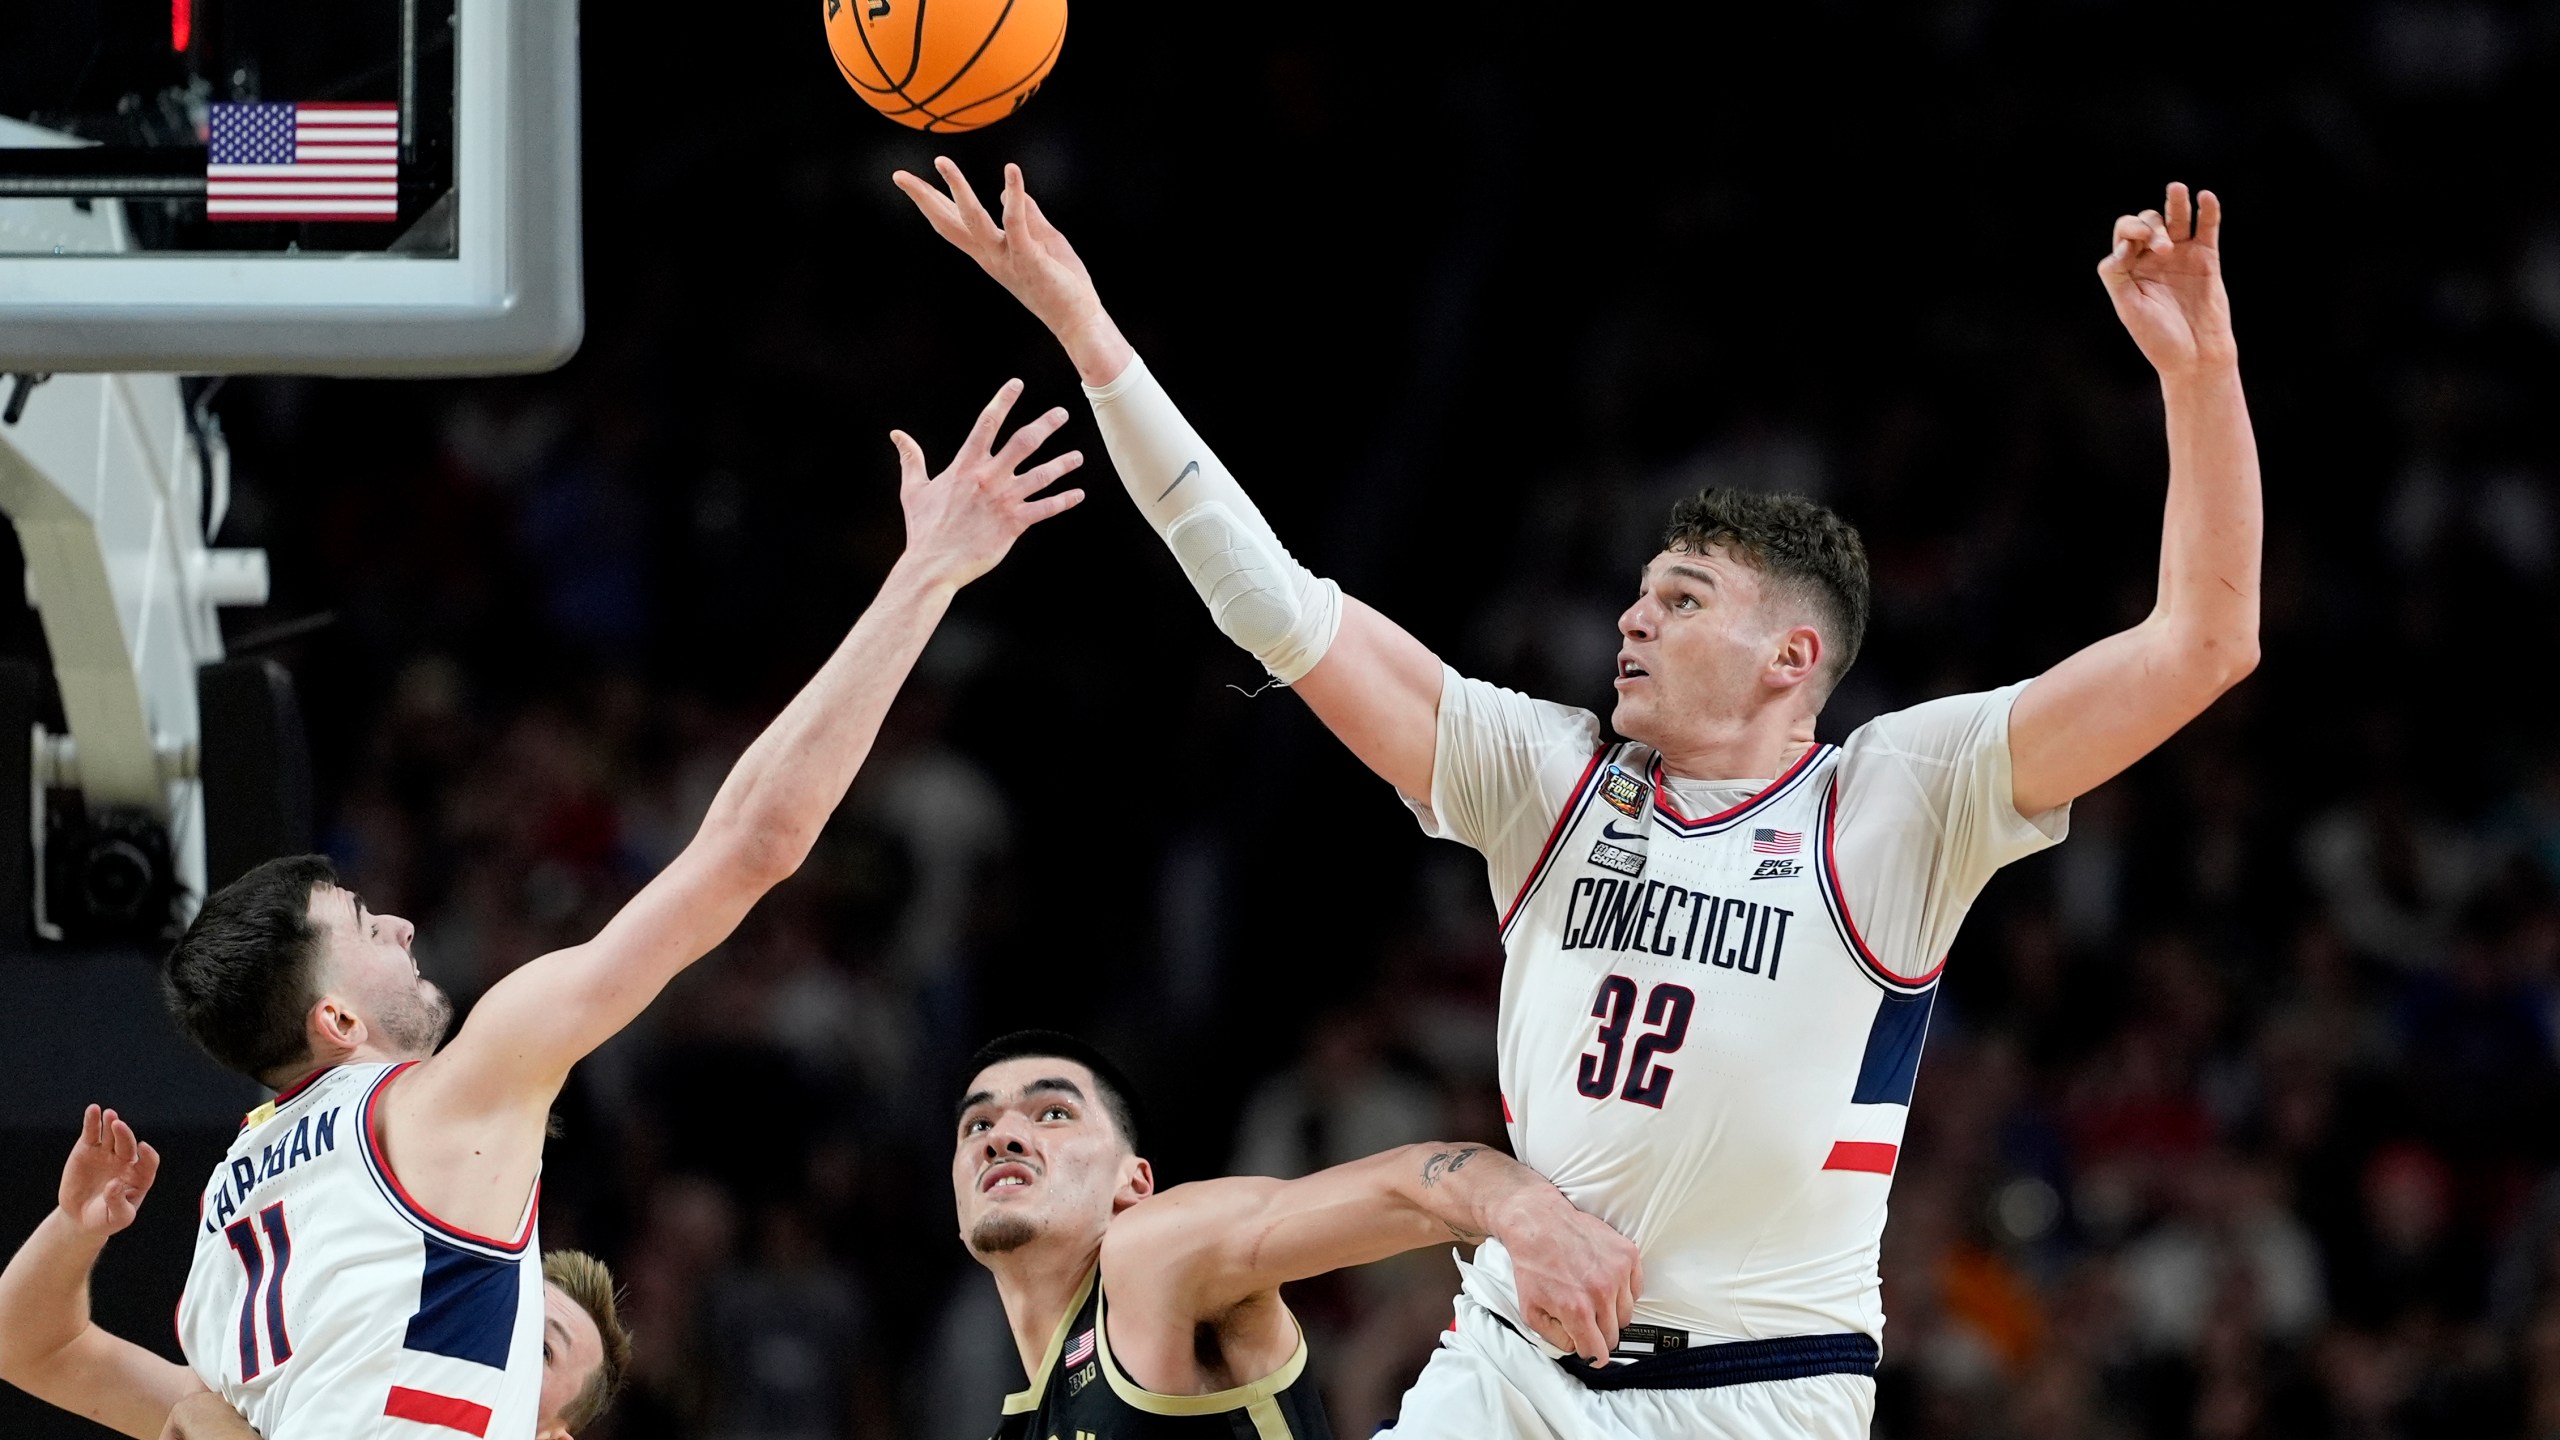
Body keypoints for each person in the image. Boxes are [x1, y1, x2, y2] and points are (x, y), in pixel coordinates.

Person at [900, 165, 2261, 1438]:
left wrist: (2200, 378)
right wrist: (1092, 337)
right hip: (1508, 1361)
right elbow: (1274, 604)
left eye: (1682, 600)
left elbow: (2205, 643)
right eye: (1637, 590)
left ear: (1794, 659)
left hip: (1760, 1393)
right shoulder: (1542, 773)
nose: (1632, 618)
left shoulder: (1902, 799)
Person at [3, 378, 1085, 1440]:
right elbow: (750, 846)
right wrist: (925, 575)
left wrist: (70, 1227)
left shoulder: (232, 1228)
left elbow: (35, 1351)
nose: (403, 926)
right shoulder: (448, 1097)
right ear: (334, 1021)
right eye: (366, 925)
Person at [953, 1030, 1640, 1439]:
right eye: (977, 1126)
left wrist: (1522, 1211)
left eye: (1051, 1113)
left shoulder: (1151, 1255)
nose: (1002, 1136)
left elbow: (1400, 1184)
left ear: (1133, 1184)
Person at [0, 1105, 626, 1440]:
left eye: (541, 1348)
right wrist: (74, 1228)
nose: (506, 1340)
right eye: (506, 1314)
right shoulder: (294, 1405)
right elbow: (36, 1349)